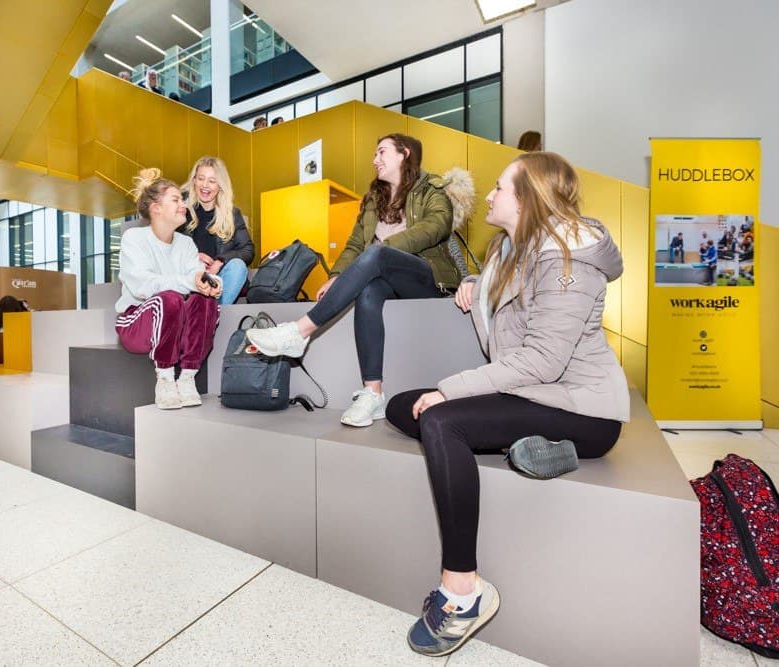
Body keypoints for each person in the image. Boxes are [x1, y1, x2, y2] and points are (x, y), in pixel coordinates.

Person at [382, 151, 629, 658]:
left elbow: (543, 361)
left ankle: (463, 591)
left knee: (442, 421)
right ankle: (533, 446)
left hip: (582, 409)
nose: (489, 196)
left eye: (499, 188)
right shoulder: (505, 248)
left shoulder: (569, 259)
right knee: (401, 406)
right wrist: (475, 284)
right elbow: (507, 321)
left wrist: (451, 389)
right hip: (528, 395)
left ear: (527, 198)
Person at [246, 133, 463, 427]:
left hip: (425, 277)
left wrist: (382, 251)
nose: (374, 160)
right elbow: (353, 244)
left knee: (376, 254)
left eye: (381, 152)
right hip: (384, 277)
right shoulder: (375, 198)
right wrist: (336, 275)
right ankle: (373, 394)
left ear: (404, 154)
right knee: (368, 291)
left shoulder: (431, 189)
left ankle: (300, 332)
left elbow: (436, 226)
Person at [115, 168, 222, 410]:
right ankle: (164, 378)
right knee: (169, 298)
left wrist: (212, 285)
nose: (183, 204)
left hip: (175, 321)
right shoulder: (134, 238)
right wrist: (192, 281)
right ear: (156, 207)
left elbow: (197, 275)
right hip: (135, 322)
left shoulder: (185, 243)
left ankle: (186, 378)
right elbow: (144, 286)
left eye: (182, 200)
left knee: (205, 300)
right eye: (175, 199)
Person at [179, 156, 255, 305]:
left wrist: (221, 261)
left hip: (219, 279)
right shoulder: (181, 211)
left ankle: (216, 311)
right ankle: (206, 311)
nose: (205, 185)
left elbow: (248, 250)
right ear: (194, 180)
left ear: (220, 185)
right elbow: (169, 246)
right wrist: (193, 256)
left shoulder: (232, 214)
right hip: (190, 275)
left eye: (212, 181)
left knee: (238, 267)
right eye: (201, 179)